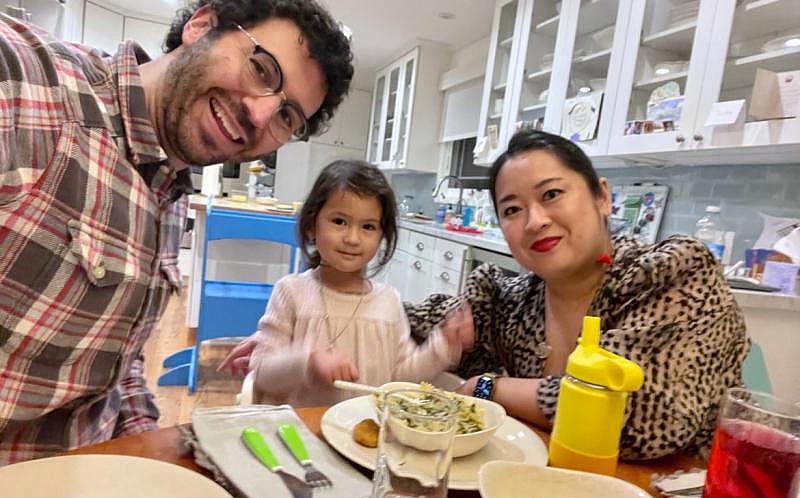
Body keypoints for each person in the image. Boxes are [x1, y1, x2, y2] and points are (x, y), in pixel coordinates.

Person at [0, 0, 353, 463]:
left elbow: (113, 368)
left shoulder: (171, 189)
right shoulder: (28, 83)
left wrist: (152, 455)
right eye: (262, 70)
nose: (261, 116)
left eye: (287, 116)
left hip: (88, 477)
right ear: (201, 25)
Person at [404, 130, 749, 460]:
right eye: (512, 210)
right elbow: (409, 320)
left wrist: (488, 388)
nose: (535, 221)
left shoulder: (672, 274)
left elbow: (636, 417)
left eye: (551, 194)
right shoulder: (512, 301)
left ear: (602, 197)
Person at [218, 160, 473, 406]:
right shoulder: (291, 291)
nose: (352, 238)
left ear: (382, 235)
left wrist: (443, 347)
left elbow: (400, 378)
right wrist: (307, 362)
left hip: (364, 439)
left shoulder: (389, 300)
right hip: (301, 435)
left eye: (368, 227)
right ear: (311, 226)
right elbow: (262, 373)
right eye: (339, 221)